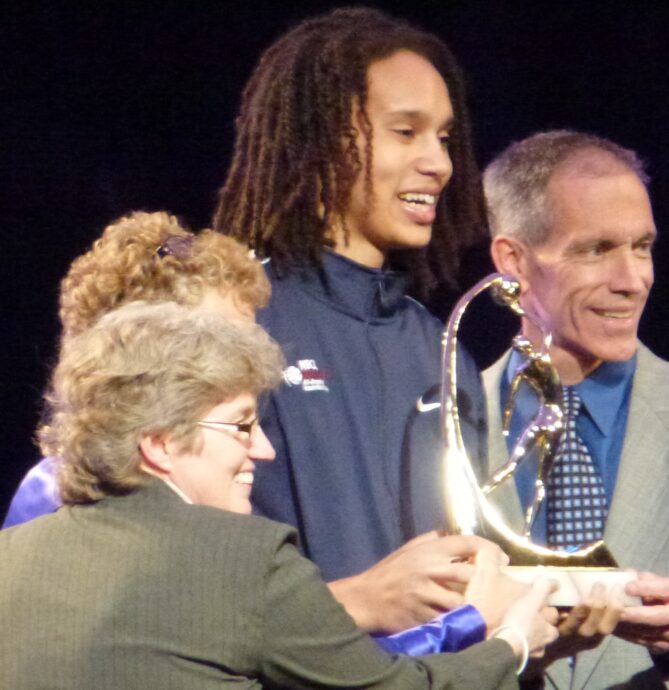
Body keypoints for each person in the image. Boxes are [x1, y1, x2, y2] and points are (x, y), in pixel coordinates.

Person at [0, 300, 560, 688]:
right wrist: (507, 643)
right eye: (242, 425)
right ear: (160, 444)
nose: (263, 450)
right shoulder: (245, 560)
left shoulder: (13, 558)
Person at [214, 6, 491, 635]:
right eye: (406, 132)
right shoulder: (233, 323)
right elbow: (188, 598)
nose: (439, 163)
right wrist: (362, 599)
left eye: (444, 138)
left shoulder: (441, 351)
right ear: (321, 140)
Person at [481, 130, 669, 688]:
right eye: (597, 250)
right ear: (514, 259)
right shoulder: (447, 423)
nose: (633, 280)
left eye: (642, 247)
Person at [3, 210, 268, 528]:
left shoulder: (216, 472)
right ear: (138, 349)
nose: (249, 362)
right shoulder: (54, 500)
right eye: (223, 343)